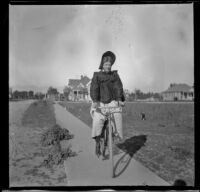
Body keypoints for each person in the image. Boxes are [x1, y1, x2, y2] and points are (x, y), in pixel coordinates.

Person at [90, 51, 125, 157]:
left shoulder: (115, 75)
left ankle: (117, 135)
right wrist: (95, 101)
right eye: (106, 64)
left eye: (109, 65)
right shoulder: (97, 75)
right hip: (100, 102)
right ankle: (97, 142)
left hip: (112, 101)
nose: (108, 66)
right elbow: (94, 88)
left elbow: (118, 87)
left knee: (118, 115)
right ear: (102, 65)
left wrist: (119, 99)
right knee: (97, 121)